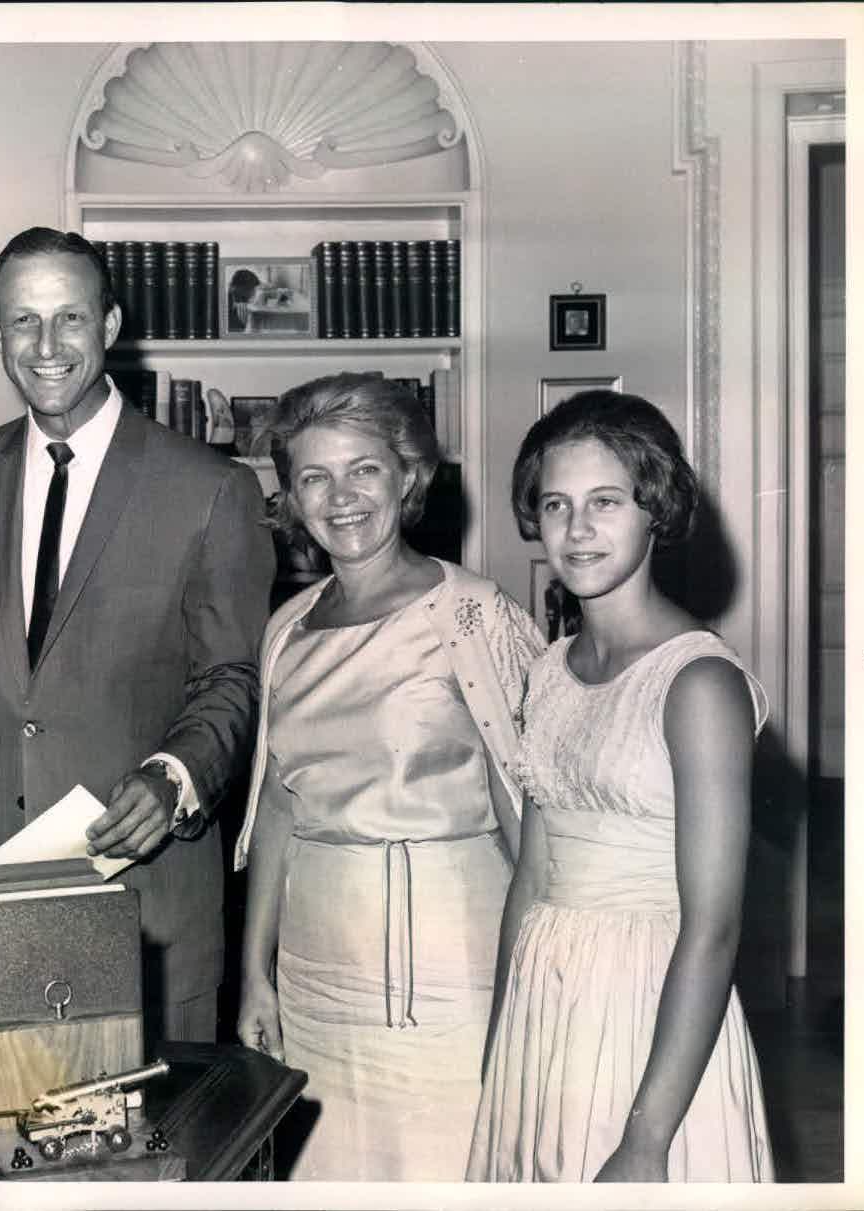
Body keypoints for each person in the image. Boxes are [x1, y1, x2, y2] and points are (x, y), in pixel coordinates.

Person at [0, 226, 275, 1045]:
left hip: (145, 902)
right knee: (4, 1156)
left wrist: (175, 776)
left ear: (110, 324)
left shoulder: (209, 488)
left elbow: (231, 677)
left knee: (153, 1165)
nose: (47, 345)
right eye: (23, 321)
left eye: (69, 318)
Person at [233, 371, 545, 1181]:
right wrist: (254, 974)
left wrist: (533, 990)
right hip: (312, 976)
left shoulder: (473, 614)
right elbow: (277, 805)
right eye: (314, 476)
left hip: (452, 973)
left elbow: (532, 818)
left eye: (363, 468)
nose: (340, 497)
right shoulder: (286, 628)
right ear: (292, 499)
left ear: (408, 475)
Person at [467, 390, 773, 1182]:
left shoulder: (699, 682)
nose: (577, 528)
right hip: (547, 997)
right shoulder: (548, 669)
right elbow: (531, 876)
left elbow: (714, 927)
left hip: (652, 1013)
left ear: (655, 510)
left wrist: (646, 1137)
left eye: (606, 502)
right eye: (556, 504)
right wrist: (503, 1044)